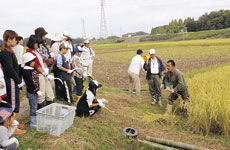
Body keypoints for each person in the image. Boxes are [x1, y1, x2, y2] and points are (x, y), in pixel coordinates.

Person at [0, 30, 26, 134]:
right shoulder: (5, 52)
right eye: (15, 39)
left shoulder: (8, 50)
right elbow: (10, 69)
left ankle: (13, 123)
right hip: (10, 80)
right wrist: (18, 81)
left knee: (14, 102)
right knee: (13, 103)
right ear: (9, 39)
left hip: (12, 79)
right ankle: (11, 127)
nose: (16, 41)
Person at [26, 35, 54, 109]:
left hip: (43, 73)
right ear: (33, 43)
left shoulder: (37, 51)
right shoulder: (29, 52)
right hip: (39, 75)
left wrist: (46, 70)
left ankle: (49, 108)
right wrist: (44, 73)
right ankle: (41, 110)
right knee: (41, 94)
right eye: (38, 43)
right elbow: (36, 65)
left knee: (49, 93)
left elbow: (42, 61)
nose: (39, 45)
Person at [22, 53, 43, 128]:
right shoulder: (26, 71)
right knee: (33, 107)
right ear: (28, 61)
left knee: (35, 106)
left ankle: (34, 120)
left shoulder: (32, 69)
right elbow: (30, 82)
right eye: (33, 61)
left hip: (35, 91)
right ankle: (33, 123)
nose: (34, 62)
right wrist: (36, 90)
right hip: (32, 92)